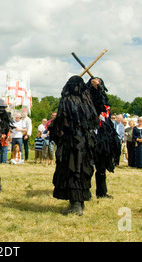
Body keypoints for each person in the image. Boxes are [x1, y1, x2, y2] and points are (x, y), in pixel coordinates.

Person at [48, 75, 99, 216]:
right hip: (86, 142)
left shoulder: (67, 101)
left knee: (72, 169)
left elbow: (61, 122)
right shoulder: (88, 102)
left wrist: (55, 133)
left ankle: (75, 204)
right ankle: (80, 202)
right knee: (82, 169)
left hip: (72, 142)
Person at [86, 77, 121, 199]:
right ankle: (86, 192)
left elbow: (103, 104)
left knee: (101, 166)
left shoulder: (105, 99)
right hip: (92, 135)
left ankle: (101, 192)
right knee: (88, 165)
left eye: (100, 83)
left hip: (104, 137)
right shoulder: (89, 99)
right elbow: (96, 102)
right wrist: (94, 88)